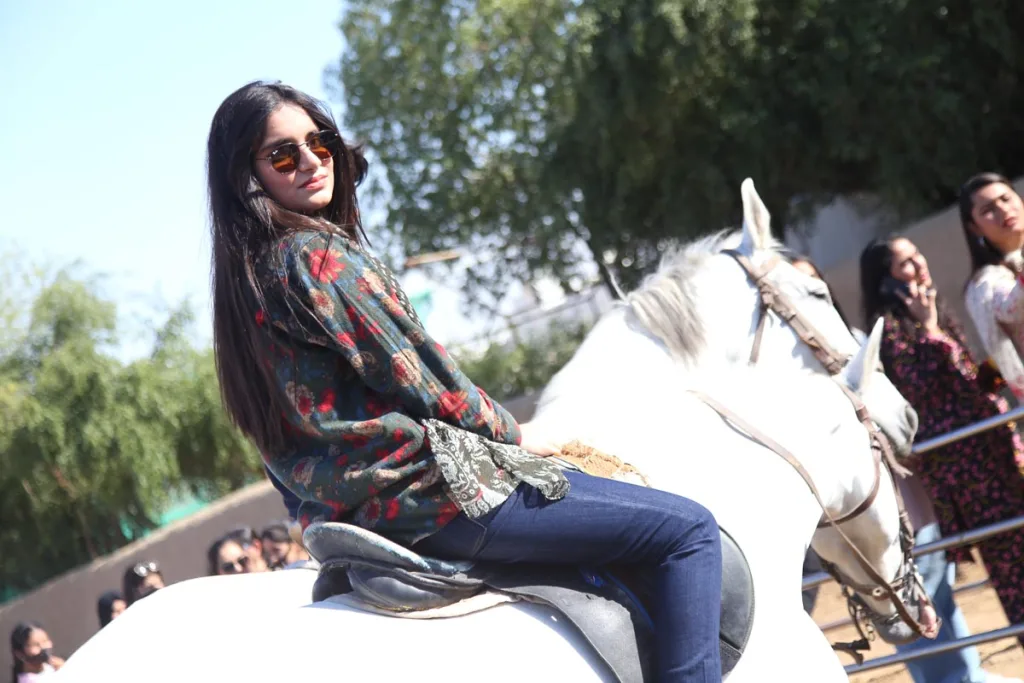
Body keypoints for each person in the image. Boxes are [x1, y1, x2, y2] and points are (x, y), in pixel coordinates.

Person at [206, 80, 723, 681]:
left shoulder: (244, 293)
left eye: (319, 143)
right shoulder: (319, 257)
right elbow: (423, 377)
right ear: (247, 177)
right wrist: (513, 433)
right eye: (283, 155)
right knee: (688, 531)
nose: (312, 162)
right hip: (431, 498)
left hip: (350, 521)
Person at [861, 235, 1024, 665]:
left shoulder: (931, 317)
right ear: (885, 282)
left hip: (1000, 456)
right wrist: (931, 330)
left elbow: (974, 373)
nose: (920, 266)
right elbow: (932, 391)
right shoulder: (895, 338)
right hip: (974, 478)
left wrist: (1006, 387)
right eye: (905, 265)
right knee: (1016, 574)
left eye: (918, 256)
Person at [961, 172, 1024, 400]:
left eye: (1006, 199)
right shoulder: (983, 284)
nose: (1002, 210)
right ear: (975, 228)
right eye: (988, 210)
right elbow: (1010, 306)